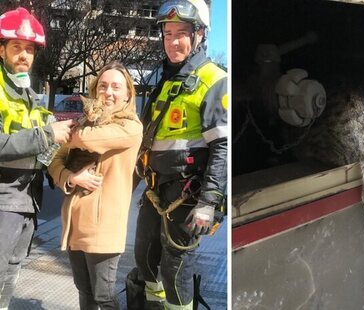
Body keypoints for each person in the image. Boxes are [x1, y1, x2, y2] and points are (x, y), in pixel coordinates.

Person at [133, 0, 227, 308]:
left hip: (187, 192)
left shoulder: (213, 79)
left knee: (175, 266)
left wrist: (209, 203)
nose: (172, 41)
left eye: (181, 33)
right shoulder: (166, 79)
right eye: (168, 33)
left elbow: (221, 147)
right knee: (144, 254)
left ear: (198, 35)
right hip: (156, 187)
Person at [48, 61, 143, 309]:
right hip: (74, 223)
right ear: (95, 91)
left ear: (127, 94)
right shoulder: (84, 120)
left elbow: (89, 138)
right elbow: (54, 161)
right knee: (84, 291)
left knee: (104, 296)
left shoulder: (130, 126)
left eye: (115, 87)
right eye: (102, 86)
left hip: (104, 227)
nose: (108, 92)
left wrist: (65, 133)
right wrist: (71, 177)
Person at [0, 7, 75, 309]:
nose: (24, 55)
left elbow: (42, 153)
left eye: (29, 49)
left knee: (11, 273)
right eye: (16, 47)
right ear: (1, 49)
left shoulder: (30, 95)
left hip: (27, 200)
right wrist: (47, 135)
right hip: (3, 200)